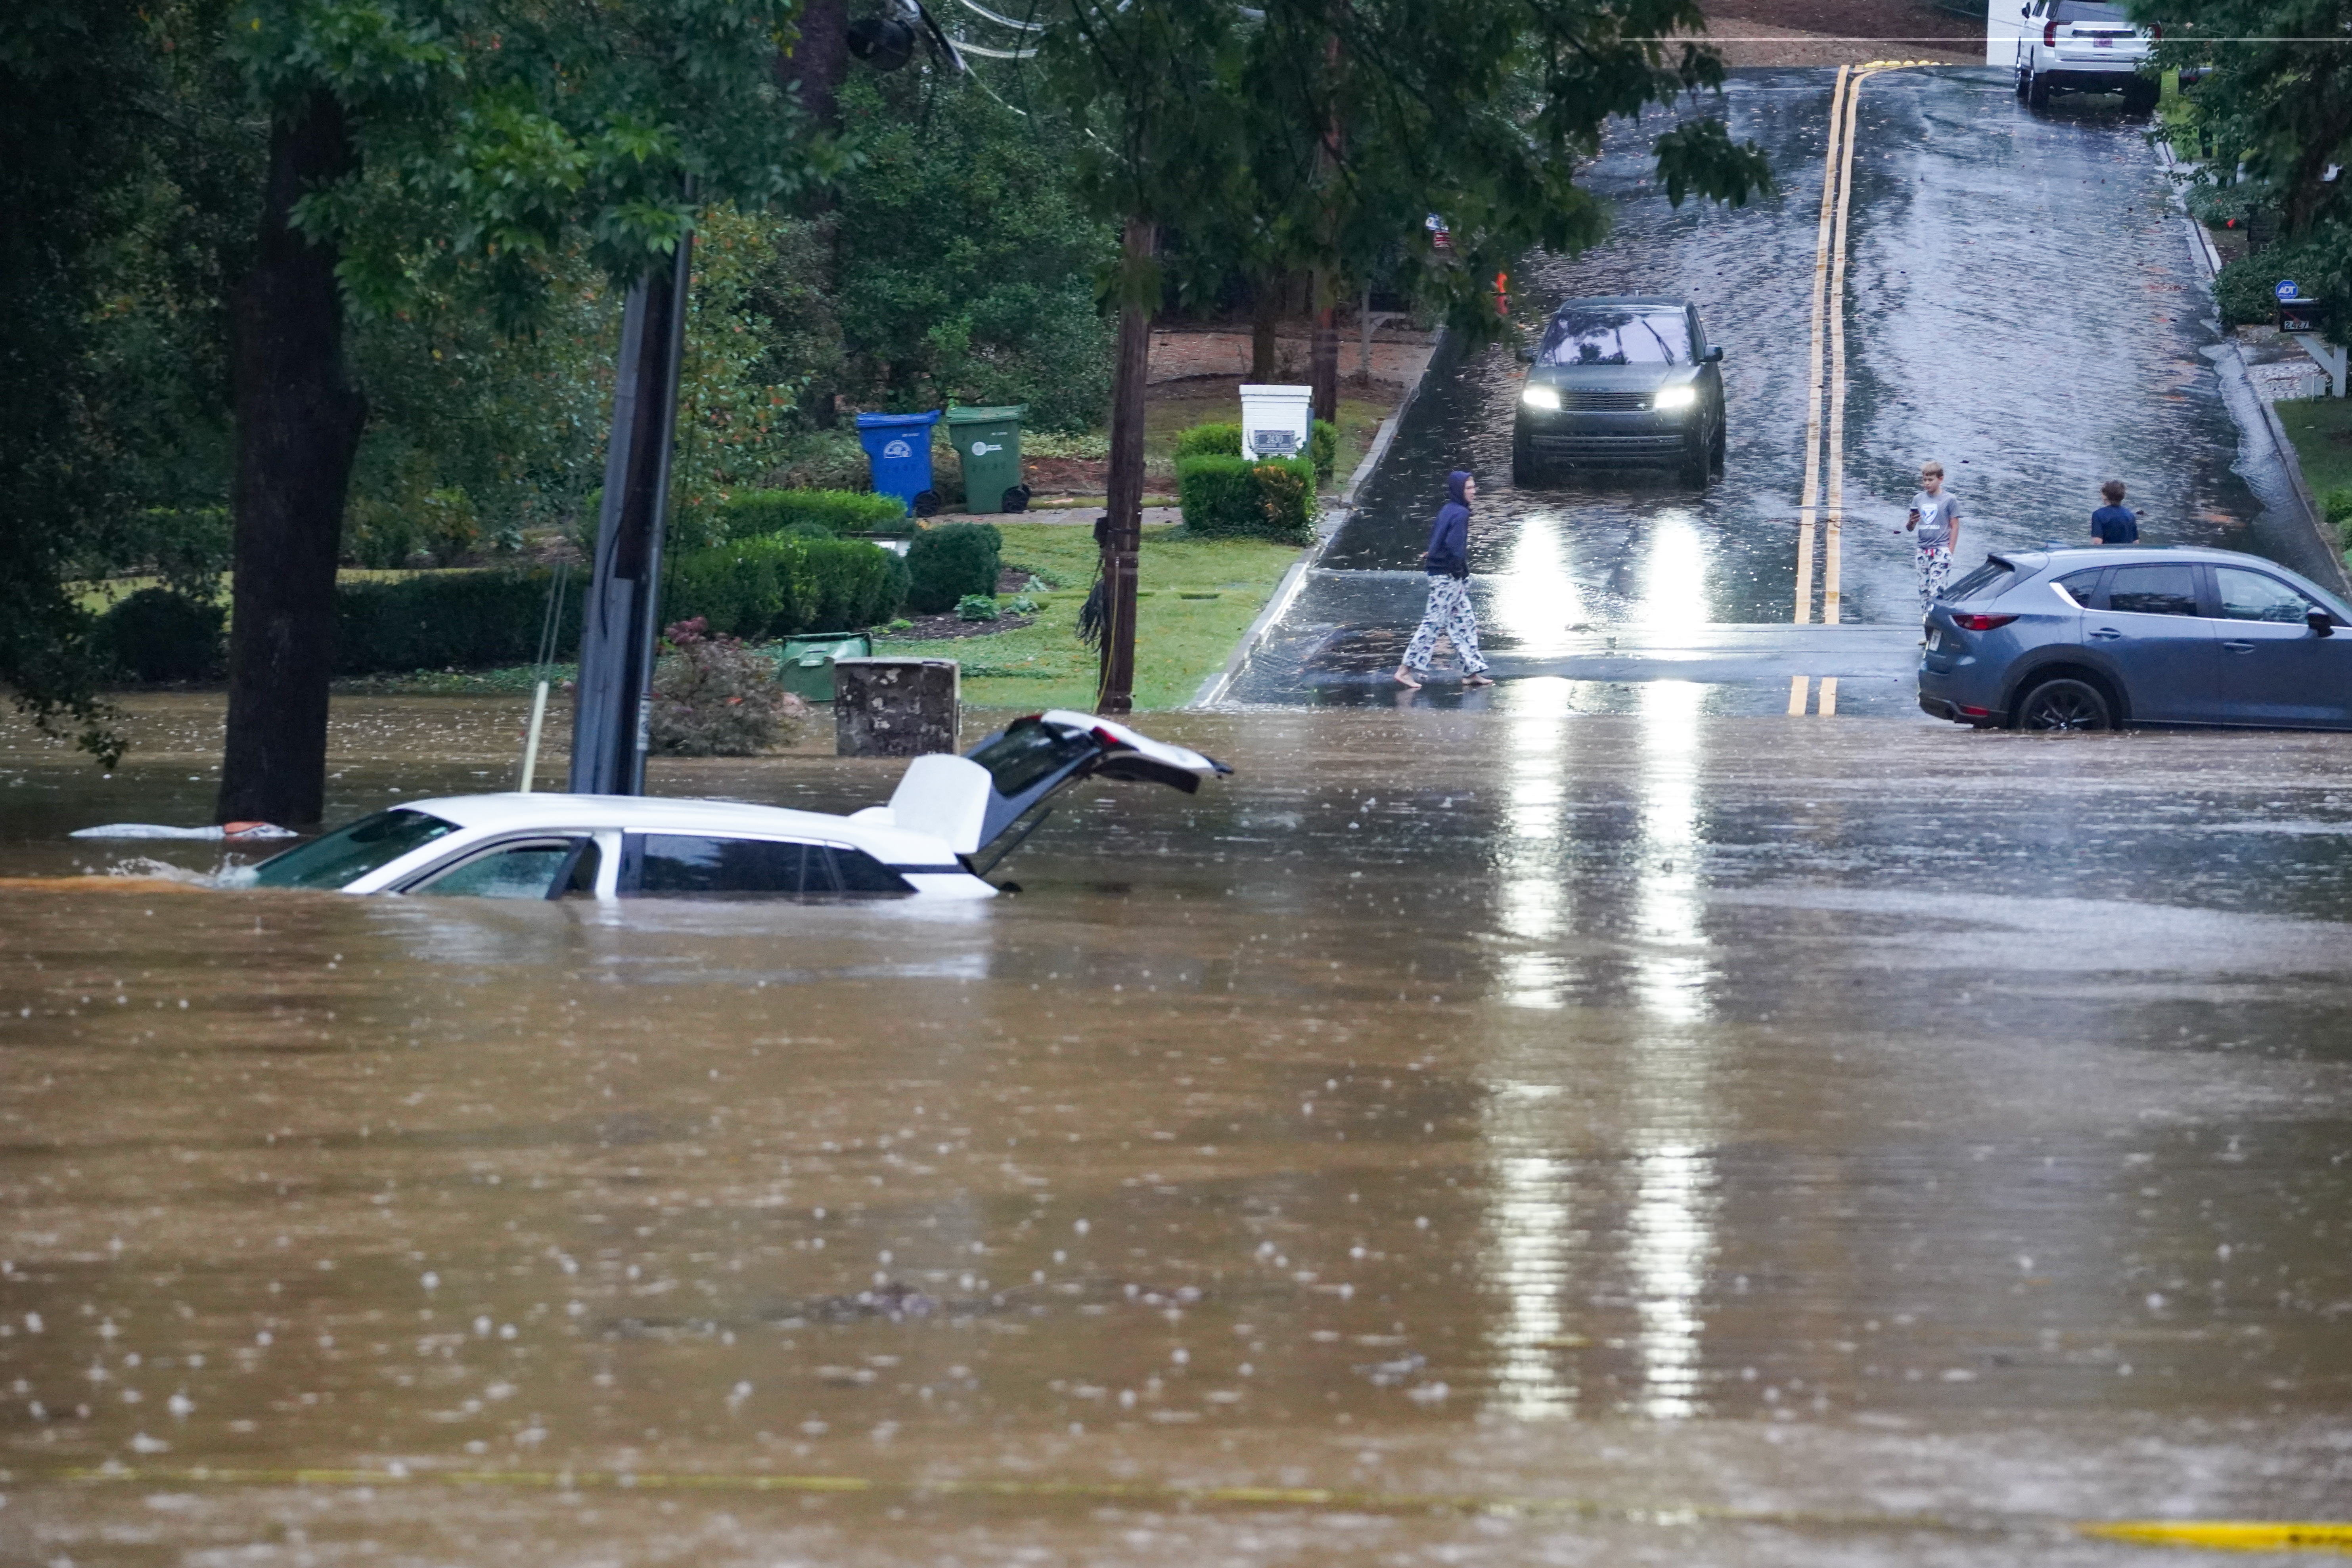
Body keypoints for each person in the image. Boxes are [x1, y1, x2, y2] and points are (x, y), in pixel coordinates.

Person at [1394, 470, 1493, 689]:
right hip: (1448, 578)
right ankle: (1404, 670)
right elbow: (1454, 547)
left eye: (1474, 487)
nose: (1473, 492)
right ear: (1459, 490)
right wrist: (1458, 570)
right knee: (1433, 623)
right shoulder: (1460, 514)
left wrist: (1434, 555)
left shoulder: (1449, 510)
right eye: (1468, 488)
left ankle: (1472, 671)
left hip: (1445, 575)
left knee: (1465, 623)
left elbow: (1437, 539)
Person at [1906, 459, 1961, 610]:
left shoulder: (1950, 500)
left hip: (1941, 550)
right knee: (1924, 591)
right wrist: (1911, 522)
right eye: (1924, 480)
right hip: (1922, 550)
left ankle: (1937, 622)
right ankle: (1926, 623)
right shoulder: (1918, 499)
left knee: (1936, 591)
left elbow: (1955, 525)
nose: (1927, 483)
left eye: (1931, 480)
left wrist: (1950, 551)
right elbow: (1910, 528)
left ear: (1940, 479)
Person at [2091, 479, 2141, 543]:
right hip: (2126, 552)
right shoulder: (2130, 515)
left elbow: (2097, 542)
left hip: (2108, 552)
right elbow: (2136, 542)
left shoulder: (2098, 515)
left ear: (2105, 496)